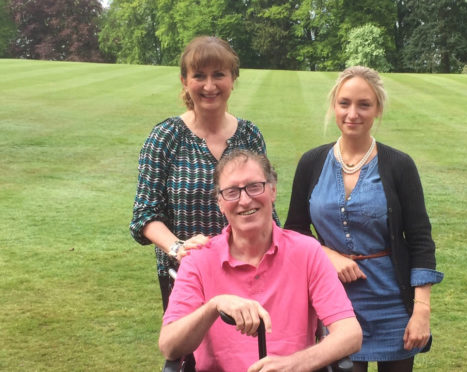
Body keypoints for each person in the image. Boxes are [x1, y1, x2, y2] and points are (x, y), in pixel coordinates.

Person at [284, 66, 443, 372]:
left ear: (377, 109)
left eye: (364, 104)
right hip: (334, 301)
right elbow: (295, 230)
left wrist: (421, 310)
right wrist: (327, 254)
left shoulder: (399, 165)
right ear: (334, 106)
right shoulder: (312, 162)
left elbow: (421, 240)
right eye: (344, 103)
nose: (352, 113)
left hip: (392, 303)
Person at [159, 149, 362, 372]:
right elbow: (170, 346)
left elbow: (350, 334)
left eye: (255, 187)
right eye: (232, 192)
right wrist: (214, 306)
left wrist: (293, 364)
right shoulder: (198, 259)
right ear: (219, 203)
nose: (245, 200)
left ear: (273, 190)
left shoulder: (306, 251)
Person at [129, 36, 276, 312]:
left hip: (248, 272)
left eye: (218, 75)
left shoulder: (250, 135)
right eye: (199, 76)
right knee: (191, 353)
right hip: (187, 276)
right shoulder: (166, 137)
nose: (209, 86)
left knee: (252, 351)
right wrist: (177, 248)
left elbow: (266, 206)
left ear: (233, 79)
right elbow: (144, 217)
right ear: (185, 80)